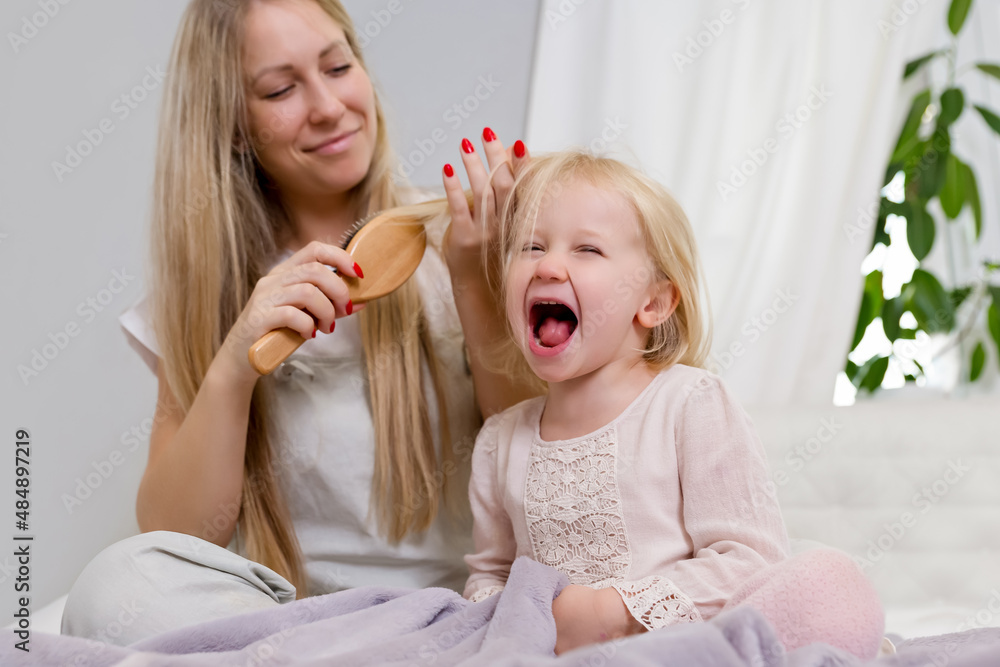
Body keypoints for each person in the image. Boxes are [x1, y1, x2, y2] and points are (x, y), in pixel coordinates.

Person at [61, 0, 532, 646]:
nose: (328, 106)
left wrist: (477, 287)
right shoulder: (203, 298)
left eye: (339, 67)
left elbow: (542, 467)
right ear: (233, 126)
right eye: (281, 89)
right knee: (112, 583)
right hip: (298, 626)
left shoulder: (458, 243)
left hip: (452, 618)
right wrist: (234, 364)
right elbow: (176, 539)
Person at [462, 151, 886, 659]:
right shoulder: (500, 442)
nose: (548, 265)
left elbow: (749, 559)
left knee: (829, 582)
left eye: (587, 250)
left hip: (677, 650)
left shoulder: (689, 404)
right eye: (530, 246)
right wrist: (517, 621)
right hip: (551, 653)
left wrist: (612, 613)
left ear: (654, 303)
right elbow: (490, 575)